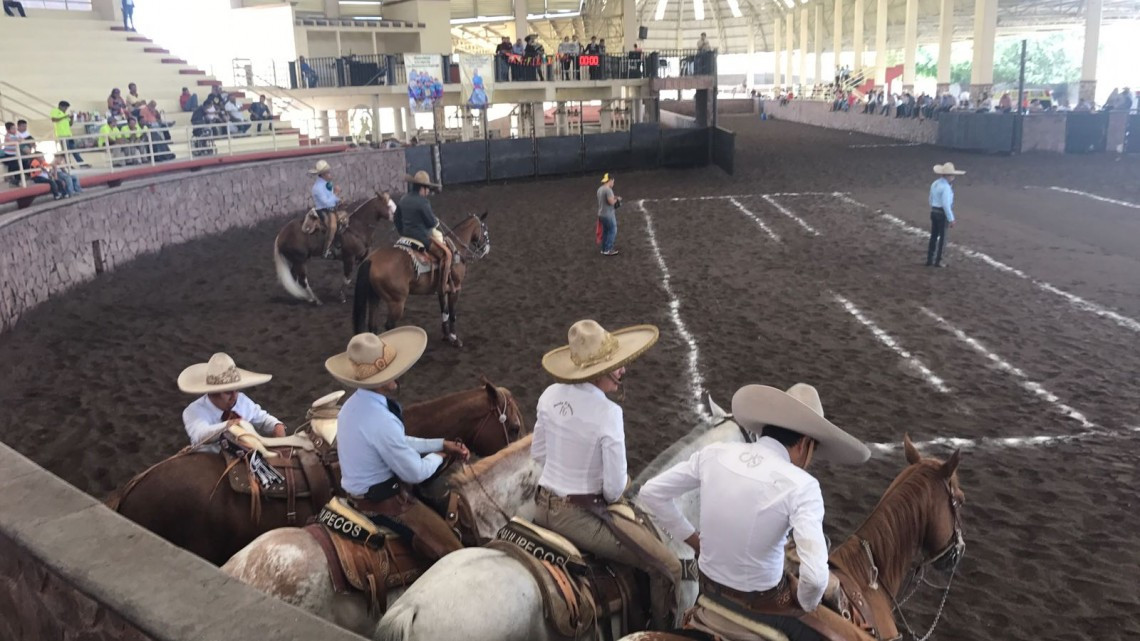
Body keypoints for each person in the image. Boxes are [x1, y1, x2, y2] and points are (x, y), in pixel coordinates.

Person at [640, 384, 870, 641]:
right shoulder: (803, 486)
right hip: (763, 608)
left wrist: (695, 540)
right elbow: (815, 579)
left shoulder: (714, 453)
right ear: (805, 444)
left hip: (709, 594)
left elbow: (651, 493)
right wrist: (804, 603)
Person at [532, 320, 682, 630]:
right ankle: (660, 633)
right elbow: (613, 490)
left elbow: (538, 454)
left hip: (541, 504)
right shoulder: (609, 414)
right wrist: (623, 482)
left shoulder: (548, 395)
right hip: (575, 517)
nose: (622, 370)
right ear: (599, 371)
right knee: (668, 568)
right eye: (616, 365)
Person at [326, 329, 468, 560]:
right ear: (381, 381)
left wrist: (440, 444)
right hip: (384, 504)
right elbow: (415, 473)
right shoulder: (382, 419)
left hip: (355, 496)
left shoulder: (350, 407)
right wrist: (440, 456)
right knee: (455, 554)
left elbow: (397, 442)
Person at [178, 353, 285, 446]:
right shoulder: (193, 411)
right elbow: (200, 435)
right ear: (213, 393)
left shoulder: (242, 400)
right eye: (228, 392)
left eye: (236, 390)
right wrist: (229, 425)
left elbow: (263, 419)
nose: (234, 396)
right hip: (208, 458)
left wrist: (277, 426)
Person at [397, 170, 455, 293]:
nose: (428, 191)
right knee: (447, 255)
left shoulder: (403, 199)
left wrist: (402, 232)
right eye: (427, 188)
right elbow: (431, 223)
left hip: (405, 237)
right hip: (421, 238)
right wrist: (435, 220)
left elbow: (396, 219)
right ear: (422, 188)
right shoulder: (423, 202)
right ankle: (443, 286)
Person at [927, 162, 964, 268]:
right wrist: (951, 218)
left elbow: (930, 199)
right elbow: (946, 204)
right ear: (948, 175)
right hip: (942, 214)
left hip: (934, 211)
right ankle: (939, 260)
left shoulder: (935, 184)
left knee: (933, 236)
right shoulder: (946, 187)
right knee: (943, 238)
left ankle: (930, 259)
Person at [309, 159, 341, 258]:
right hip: (323, 210)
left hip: (330, 208)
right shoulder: (317, 188)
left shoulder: (327, 184)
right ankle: (326, 250)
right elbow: (327, 203)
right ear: (323, 174)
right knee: (332, 227)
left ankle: (338, 243)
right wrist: (336, 194)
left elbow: (330, 197)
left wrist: (338, 199)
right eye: (328, 173)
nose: (330, 174)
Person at [50, 101, 86, 166]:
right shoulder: (55, 111)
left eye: (66, 108)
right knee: (66, 152)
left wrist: (72, 118)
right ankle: (67, 165)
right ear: (60, 106)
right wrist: (64, 117)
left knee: (74, 150)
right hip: (62, 135)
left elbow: (70, 124)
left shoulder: (65, 114)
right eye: (65, 108)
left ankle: (81, 163)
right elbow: (54, 119)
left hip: (69, 135)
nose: (66, 109)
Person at [597, 172, 622, 256]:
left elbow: (605, 199)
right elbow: (611, 202)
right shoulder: (608, 190)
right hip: (608, 215)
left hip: (601, 214)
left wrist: (615, 197)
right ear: (610, 180)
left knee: (605, 231)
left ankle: (604, 249)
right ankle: (608, 249)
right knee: (613, 230)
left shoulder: (600, 189)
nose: (613, 183)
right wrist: (617, 200)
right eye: (613, 181)